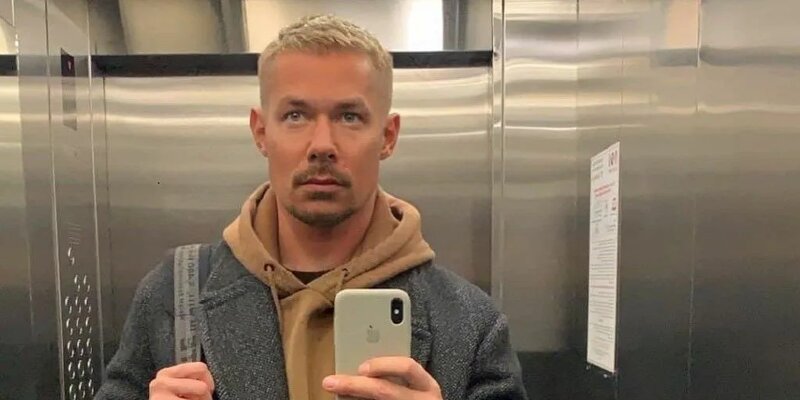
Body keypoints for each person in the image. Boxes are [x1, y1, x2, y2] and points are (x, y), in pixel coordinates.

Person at [96, 15, 527, 400]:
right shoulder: (174, 295)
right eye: (296, 116)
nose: (322, 144)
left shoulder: (470, 323)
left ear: (388, 136)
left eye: (349, 116)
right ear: (261, 132)